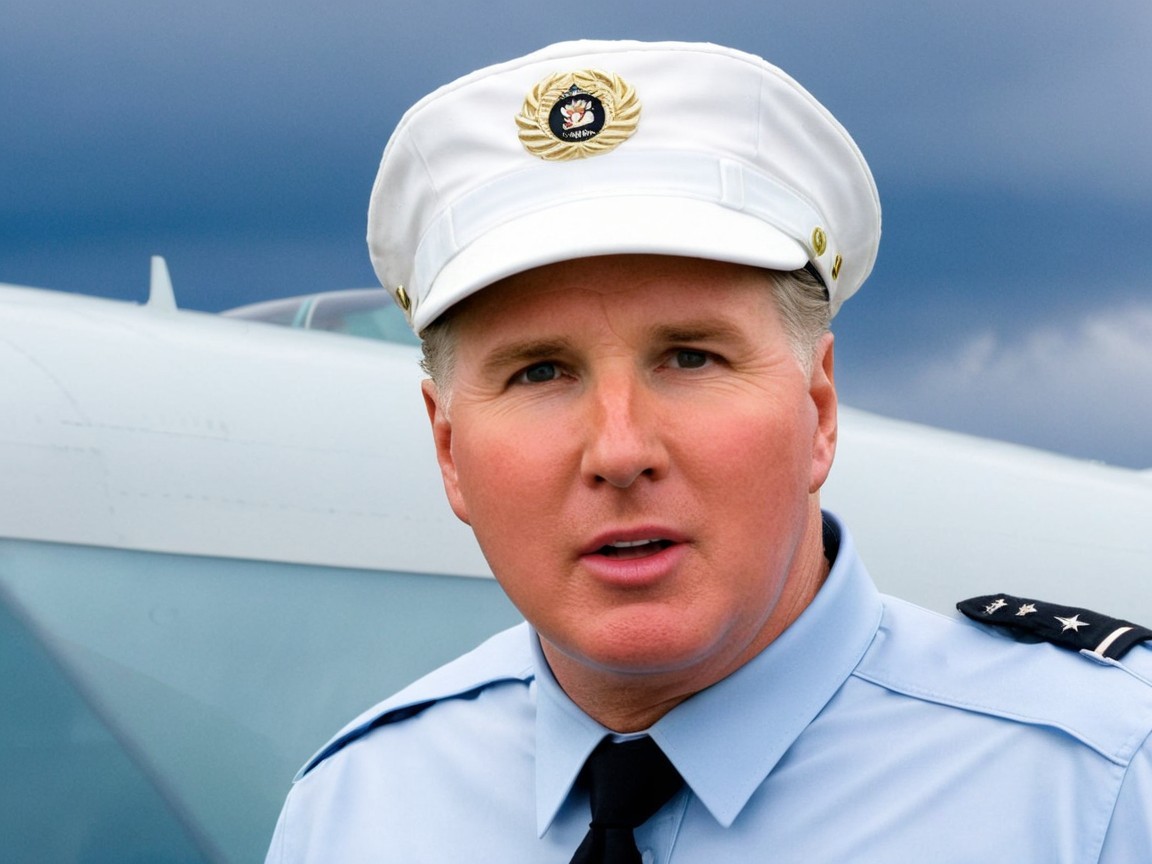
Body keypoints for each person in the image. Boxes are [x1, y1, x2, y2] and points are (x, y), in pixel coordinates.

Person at [266, 40, 1152, 862]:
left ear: (819, 407)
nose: (619, 450)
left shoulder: (1097, 787)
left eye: (691, 357)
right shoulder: (353, 811)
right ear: (448, 450)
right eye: (540, 373)